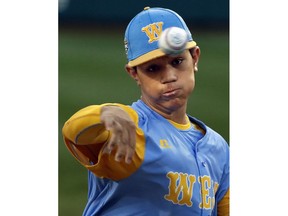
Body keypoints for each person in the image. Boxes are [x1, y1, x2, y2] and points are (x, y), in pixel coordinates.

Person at [62, 6, 229, 216]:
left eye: (177, 61)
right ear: (134, 73)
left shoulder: (219, 148)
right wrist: (104, 113)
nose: (169, 76)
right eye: (153, 68)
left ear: (194, 58)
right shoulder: (129, 127)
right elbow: (73, 130)